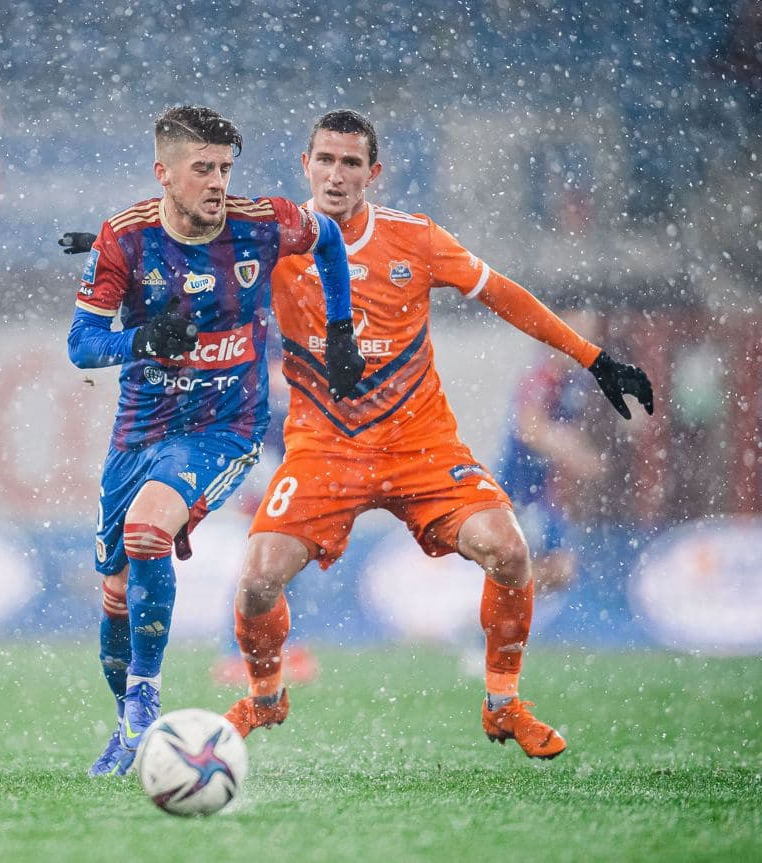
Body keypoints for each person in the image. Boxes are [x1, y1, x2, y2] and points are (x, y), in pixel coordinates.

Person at [221, 110, 653, 759]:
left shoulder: (414, 238)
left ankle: (504, 704)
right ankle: (264, 694)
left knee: (509, 551)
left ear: (373, 172)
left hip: (420, 447)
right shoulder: (275, 242)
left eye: (350, 162)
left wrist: (593, 359)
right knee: (257, 579)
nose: (336, 174)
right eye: (325, 160)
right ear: (305, 166)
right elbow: (197, 267)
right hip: (324, 450)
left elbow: (503, 294)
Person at [65, 104, 362, 777]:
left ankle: (146, 698)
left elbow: (329, 238)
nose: (219, 182)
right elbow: (82, 345)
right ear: (164, 174)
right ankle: (127, 721)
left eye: (226, 168)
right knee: (115, 590)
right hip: (140, 429)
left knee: (147, 533)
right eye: (203, 168)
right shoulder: (124, 239)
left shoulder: (261, 224)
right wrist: (141, 339)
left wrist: (341, 329)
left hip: (224, 427)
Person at [497, 308, 610, 595]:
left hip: (545, 493)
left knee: (561, 568)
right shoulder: (542, 376)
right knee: (531, 566)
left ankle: (517, 611)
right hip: (518, 489)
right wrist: (574, 453)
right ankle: (499, 611)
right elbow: (529, 428)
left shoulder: (578, 382)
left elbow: (573, 432)